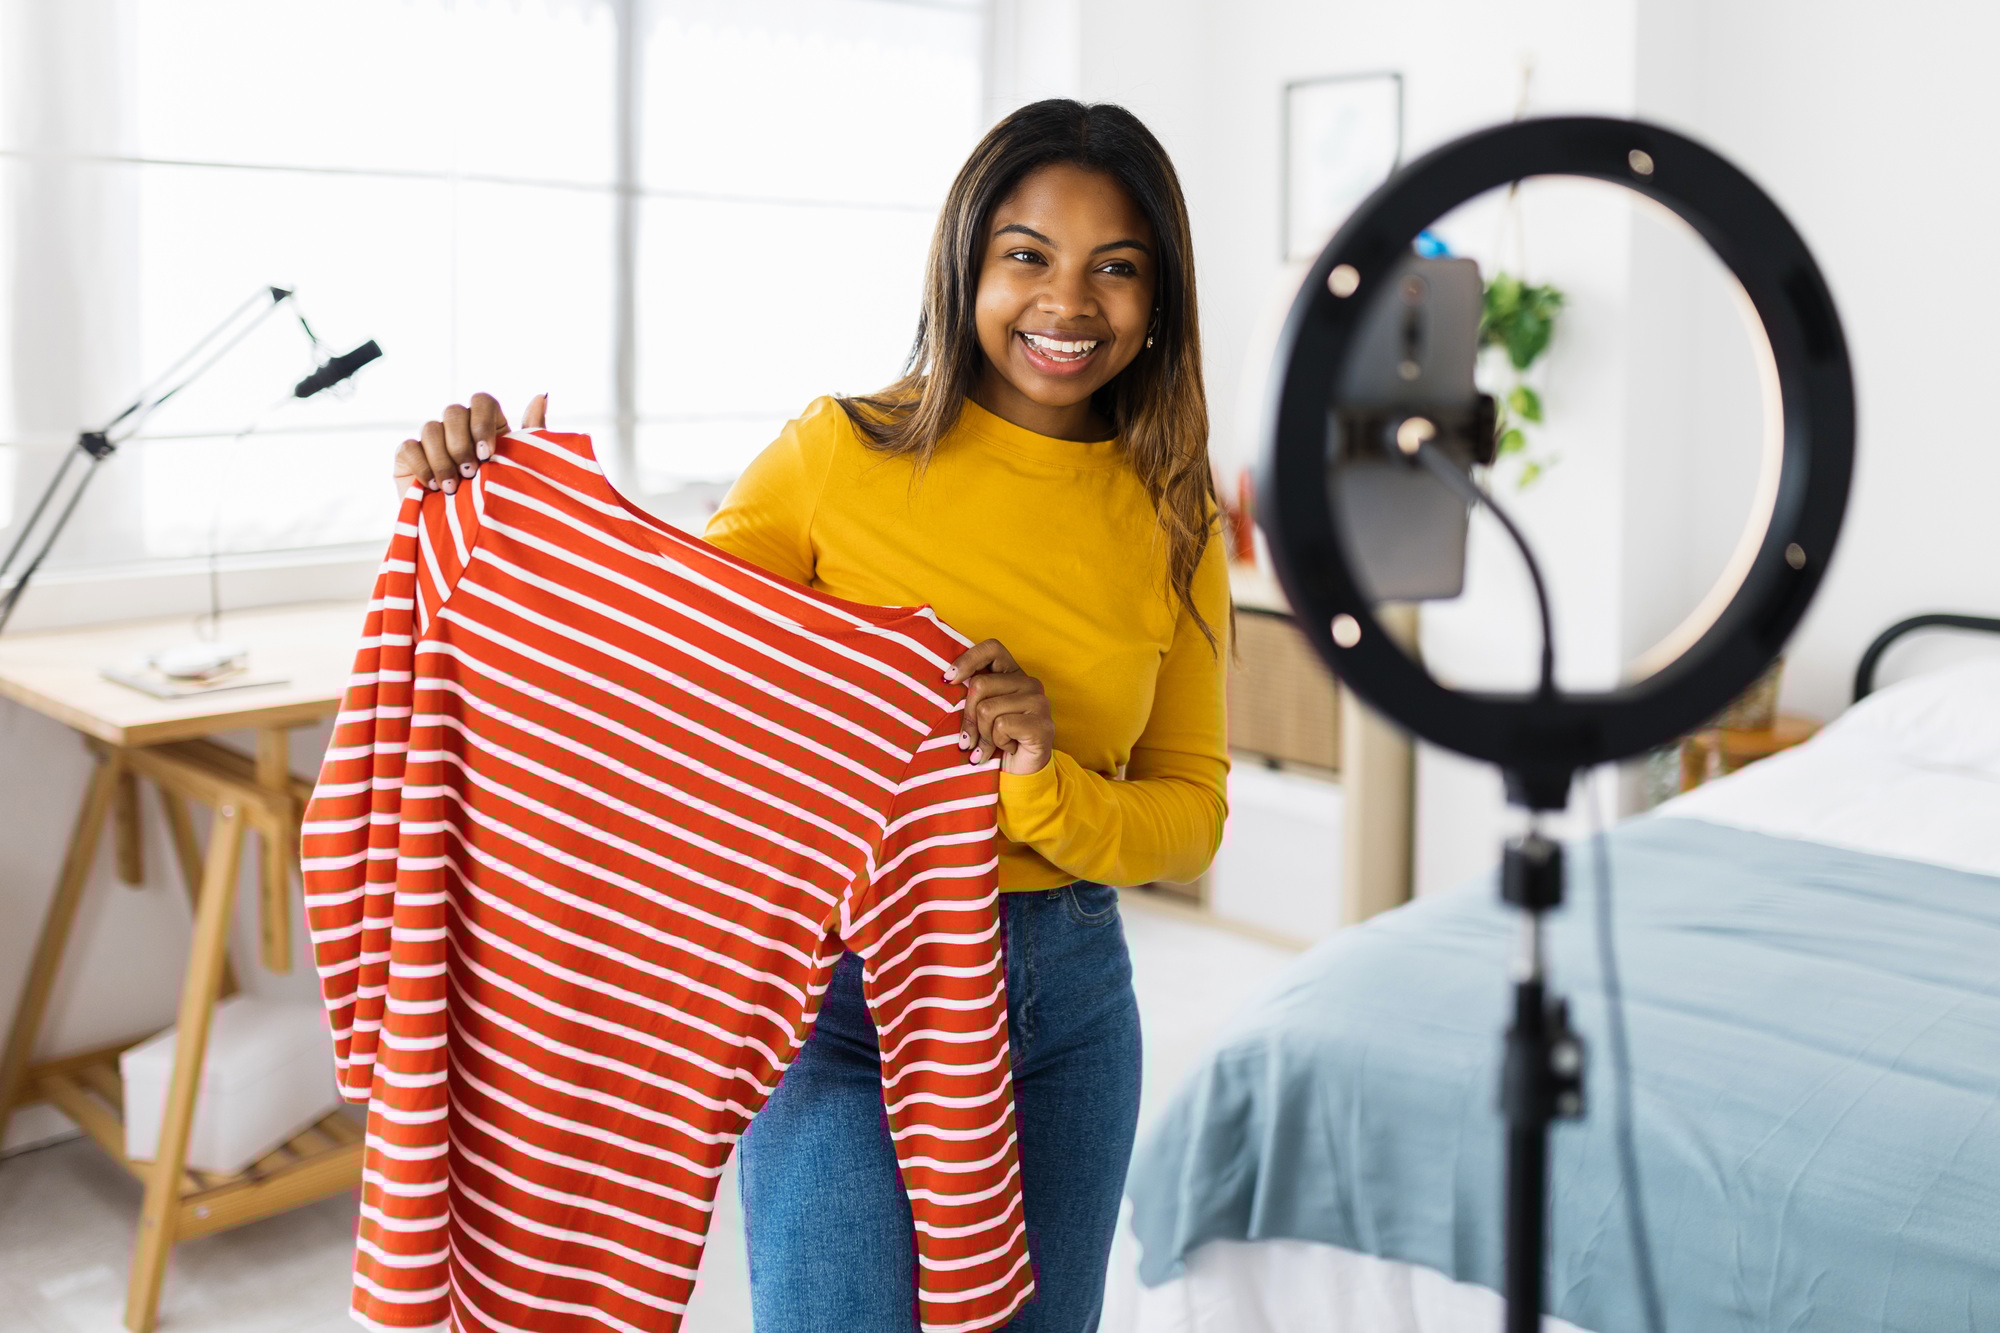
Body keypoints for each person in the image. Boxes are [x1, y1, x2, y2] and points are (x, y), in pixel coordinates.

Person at [392, 98, 1228, 1333]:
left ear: (1158, 298)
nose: (1067, 303)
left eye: (1116, 268)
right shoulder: (840, 453)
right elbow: (661, 665)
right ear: (965, 266)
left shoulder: (1174, 515)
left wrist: (1038, 778)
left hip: (1065, 1004)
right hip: (836, 994)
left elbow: (1191, 817)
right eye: (1026, 256)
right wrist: (495, 508)